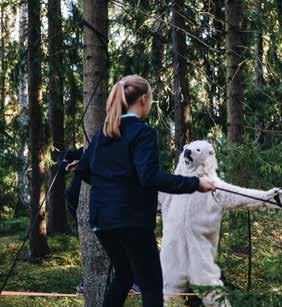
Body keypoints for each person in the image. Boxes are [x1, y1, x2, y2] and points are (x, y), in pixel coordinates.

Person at [75, 74, 216, 307]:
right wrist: (195, 184)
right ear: (143, 99)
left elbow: (82, 170)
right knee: (151, 285)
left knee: (125, 276)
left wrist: (111, 185)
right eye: (150, 99)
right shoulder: (142, 132)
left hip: (102, 221)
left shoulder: (104, 134)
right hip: (132, 221)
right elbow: (149, 177)